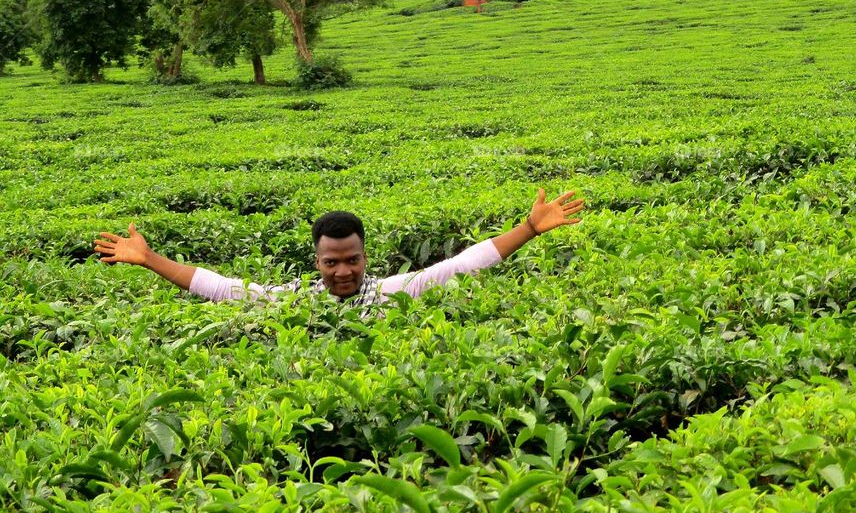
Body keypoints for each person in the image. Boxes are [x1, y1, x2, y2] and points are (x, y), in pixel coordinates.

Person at [93, 187, 584, 312]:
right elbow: (221, 289)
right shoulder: (294, 301)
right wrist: (150, 260)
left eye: (352, 260)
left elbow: (462, 264)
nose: (343, 271)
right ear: (317, 262)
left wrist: (529, 229)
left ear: (366, 257)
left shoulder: (394, 292)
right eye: (332, 263)